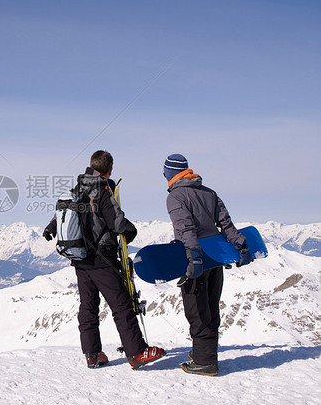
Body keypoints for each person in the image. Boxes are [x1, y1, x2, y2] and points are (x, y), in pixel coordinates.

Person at [44, 150, 166, 369]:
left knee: (88, 306)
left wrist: (51, 228)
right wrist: (131, 231)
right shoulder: (101, 190)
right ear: (109, 169)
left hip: (80, 257)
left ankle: (92, 354)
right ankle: (137, 352)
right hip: (101, 258)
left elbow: (61, 213)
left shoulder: (77, 187)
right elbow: (116, 222)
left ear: (91, 166)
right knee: (121, 304)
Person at [163, 153, 253, 376]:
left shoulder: (176, 197)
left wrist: (194, 257)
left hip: (196, 260)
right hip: (216, 258)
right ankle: (203, 352)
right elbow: (227, 225)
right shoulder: (209, 192)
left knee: (197, 310)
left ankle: (205, 362)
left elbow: (185, 229)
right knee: (211, 307)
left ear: (170, 173)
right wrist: (241, 245)